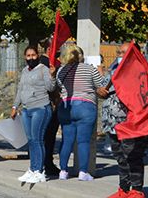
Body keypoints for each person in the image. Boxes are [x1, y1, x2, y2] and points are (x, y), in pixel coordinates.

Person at [102, 42, 148, 198]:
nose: (120, 55)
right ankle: (124, 188)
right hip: (113, 122)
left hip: (131, 123)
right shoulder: (114, 68)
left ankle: (137, 190)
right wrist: (100, 90)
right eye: (119, 52)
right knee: (120, 157)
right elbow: (104, 88)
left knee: (133, 156)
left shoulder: (141, 71)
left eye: (124, 52)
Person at [56, 45, 106, 181]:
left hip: (66, 107)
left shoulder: (61, 70)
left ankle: (63, 171)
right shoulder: (89, 69)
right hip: (85, 106)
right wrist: (100, 72)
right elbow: (101, 85)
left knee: (67, 141)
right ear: (81, 56)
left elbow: (59, 86)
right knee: (83, 141)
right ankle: (83, 172)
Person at [12, 46, 56, 183]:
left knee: (37, 139)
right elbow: (21, 89)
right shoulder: (25, 71)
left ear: (38, 55)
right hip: (26, 109)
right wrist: (15, 105)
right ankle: (32, 169)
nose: (31, 58)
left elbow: (51, 87)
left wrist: (52, 76)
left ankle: (40, 171)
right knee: (31, 140)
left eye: (33, 55)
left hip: (40, 108)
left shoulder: (44, 69)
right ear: (25, 57)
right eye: (28, 55)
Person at [39, 37, 62, 176]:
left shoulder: (52, 62)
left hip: (52, 104)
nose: (59, 51)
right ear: (49, 49)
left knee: (48, 136)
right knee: (46, 136)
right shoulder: (44, 64)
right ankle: (45, 163)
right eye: (57, 48)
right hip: (48, 104)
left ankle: (46, 162)